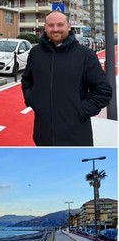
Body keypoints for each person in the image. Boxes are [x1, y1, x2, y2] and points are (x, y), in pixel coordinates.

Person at [21, 11, 112, 146]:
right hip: (42, 135)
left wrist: (80, 111)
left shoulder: (85, 55)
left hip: (76, 136)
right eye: (51, 25)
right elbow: (27, 80)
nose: (55, 29)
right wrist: (33, 100)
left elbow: (103, 91)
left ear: (69, 26)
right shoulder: (36, 53)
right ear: (45, 27)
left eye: (60, 25)